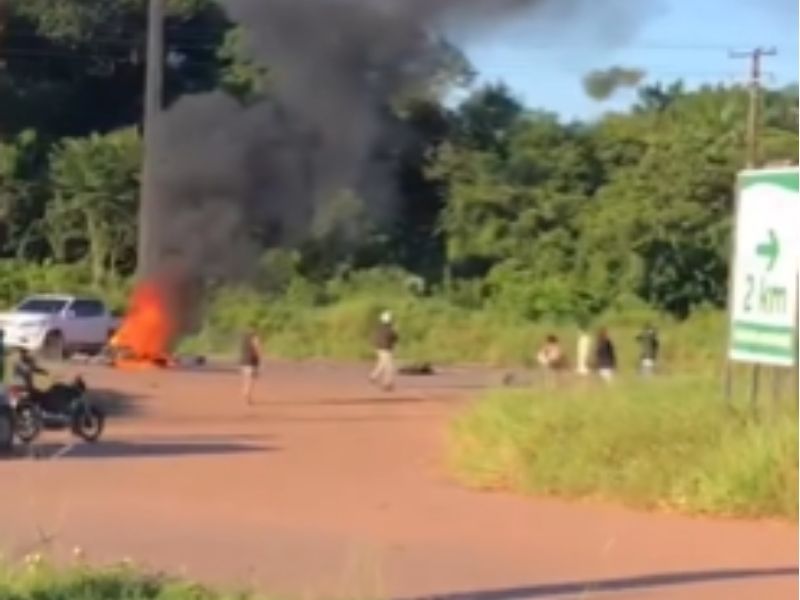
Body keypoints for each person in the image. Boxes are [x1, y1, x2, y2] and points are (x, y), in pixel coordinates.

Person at [370, 311, 398, 391]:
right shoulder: (390, 329)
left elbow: (374, 338)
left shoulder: (379, 329)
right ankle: (387, 383)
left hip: (379, 349)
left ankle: (373, 376)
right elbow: (395, 338)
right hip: (386, 349)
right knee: (389, 367)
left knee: (382, 364)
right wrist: (395, 330)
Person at [239, 330, 262, 405]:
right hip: (251, 362)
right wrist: (260, 357)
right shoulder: (254, 338)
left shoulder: (244, 339)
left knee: (246, 380)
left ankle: (246, 395)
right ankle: (247, 396)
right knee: (251, 380)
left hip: (244, 361)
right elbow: (257, 348)